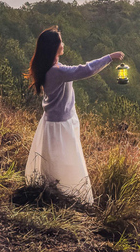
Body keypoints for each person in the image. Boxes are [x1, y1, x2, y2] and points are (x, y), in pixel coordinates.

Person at [24, 25, 124, 204]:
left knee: (54, 160)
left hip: (51, 123)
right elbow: (86, 70)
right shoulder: (57, 72)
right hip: (60, 126)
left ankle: (53, 195)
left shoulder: (51, 68)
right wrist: (110, 57)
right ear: (54, 47)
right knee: (66, 161)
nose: (63, 44)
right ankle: (67, 197)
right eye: (61, 41)